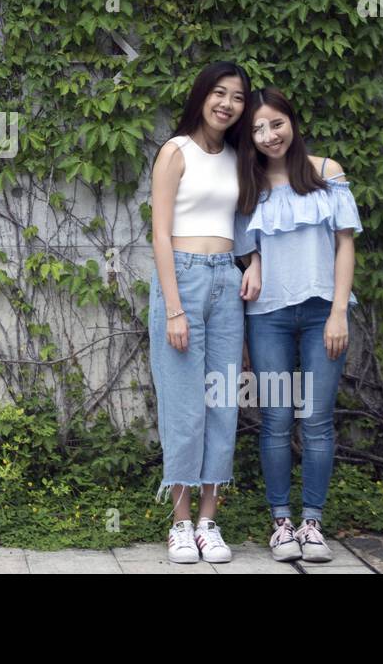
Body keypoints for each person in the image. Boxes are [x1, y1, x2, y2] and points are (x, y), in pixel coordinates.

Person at [233, 86, 362, 562]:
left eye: (276, 123)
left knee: (318, 421)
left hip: (321, 313)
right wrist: (255, 262)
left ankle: (313, 523)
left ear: (292, 121)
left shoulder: (327, 173)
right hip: (268, 315)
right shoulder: (249, 182)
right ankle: (281, 523)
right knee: (275, 419)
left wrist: (338, 312)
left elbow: (345, 244)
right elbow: (243, 244)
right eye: (258, 129)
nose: (269, 136)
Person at [148, 60, 259, 564]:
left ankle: (209, 522)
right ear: (202, 96)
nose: (227, 104)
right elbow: (160, 233)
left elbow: (241, 225)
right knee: (184, 406)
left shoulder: (238, 157)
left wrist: (251, 262)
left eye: (237, 97)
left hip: (226, 282)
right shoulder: (175, 151)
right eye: (219, 93)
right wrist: (174, 308)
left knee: (223, 402)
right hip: (185, 281)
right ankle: (179, 523)